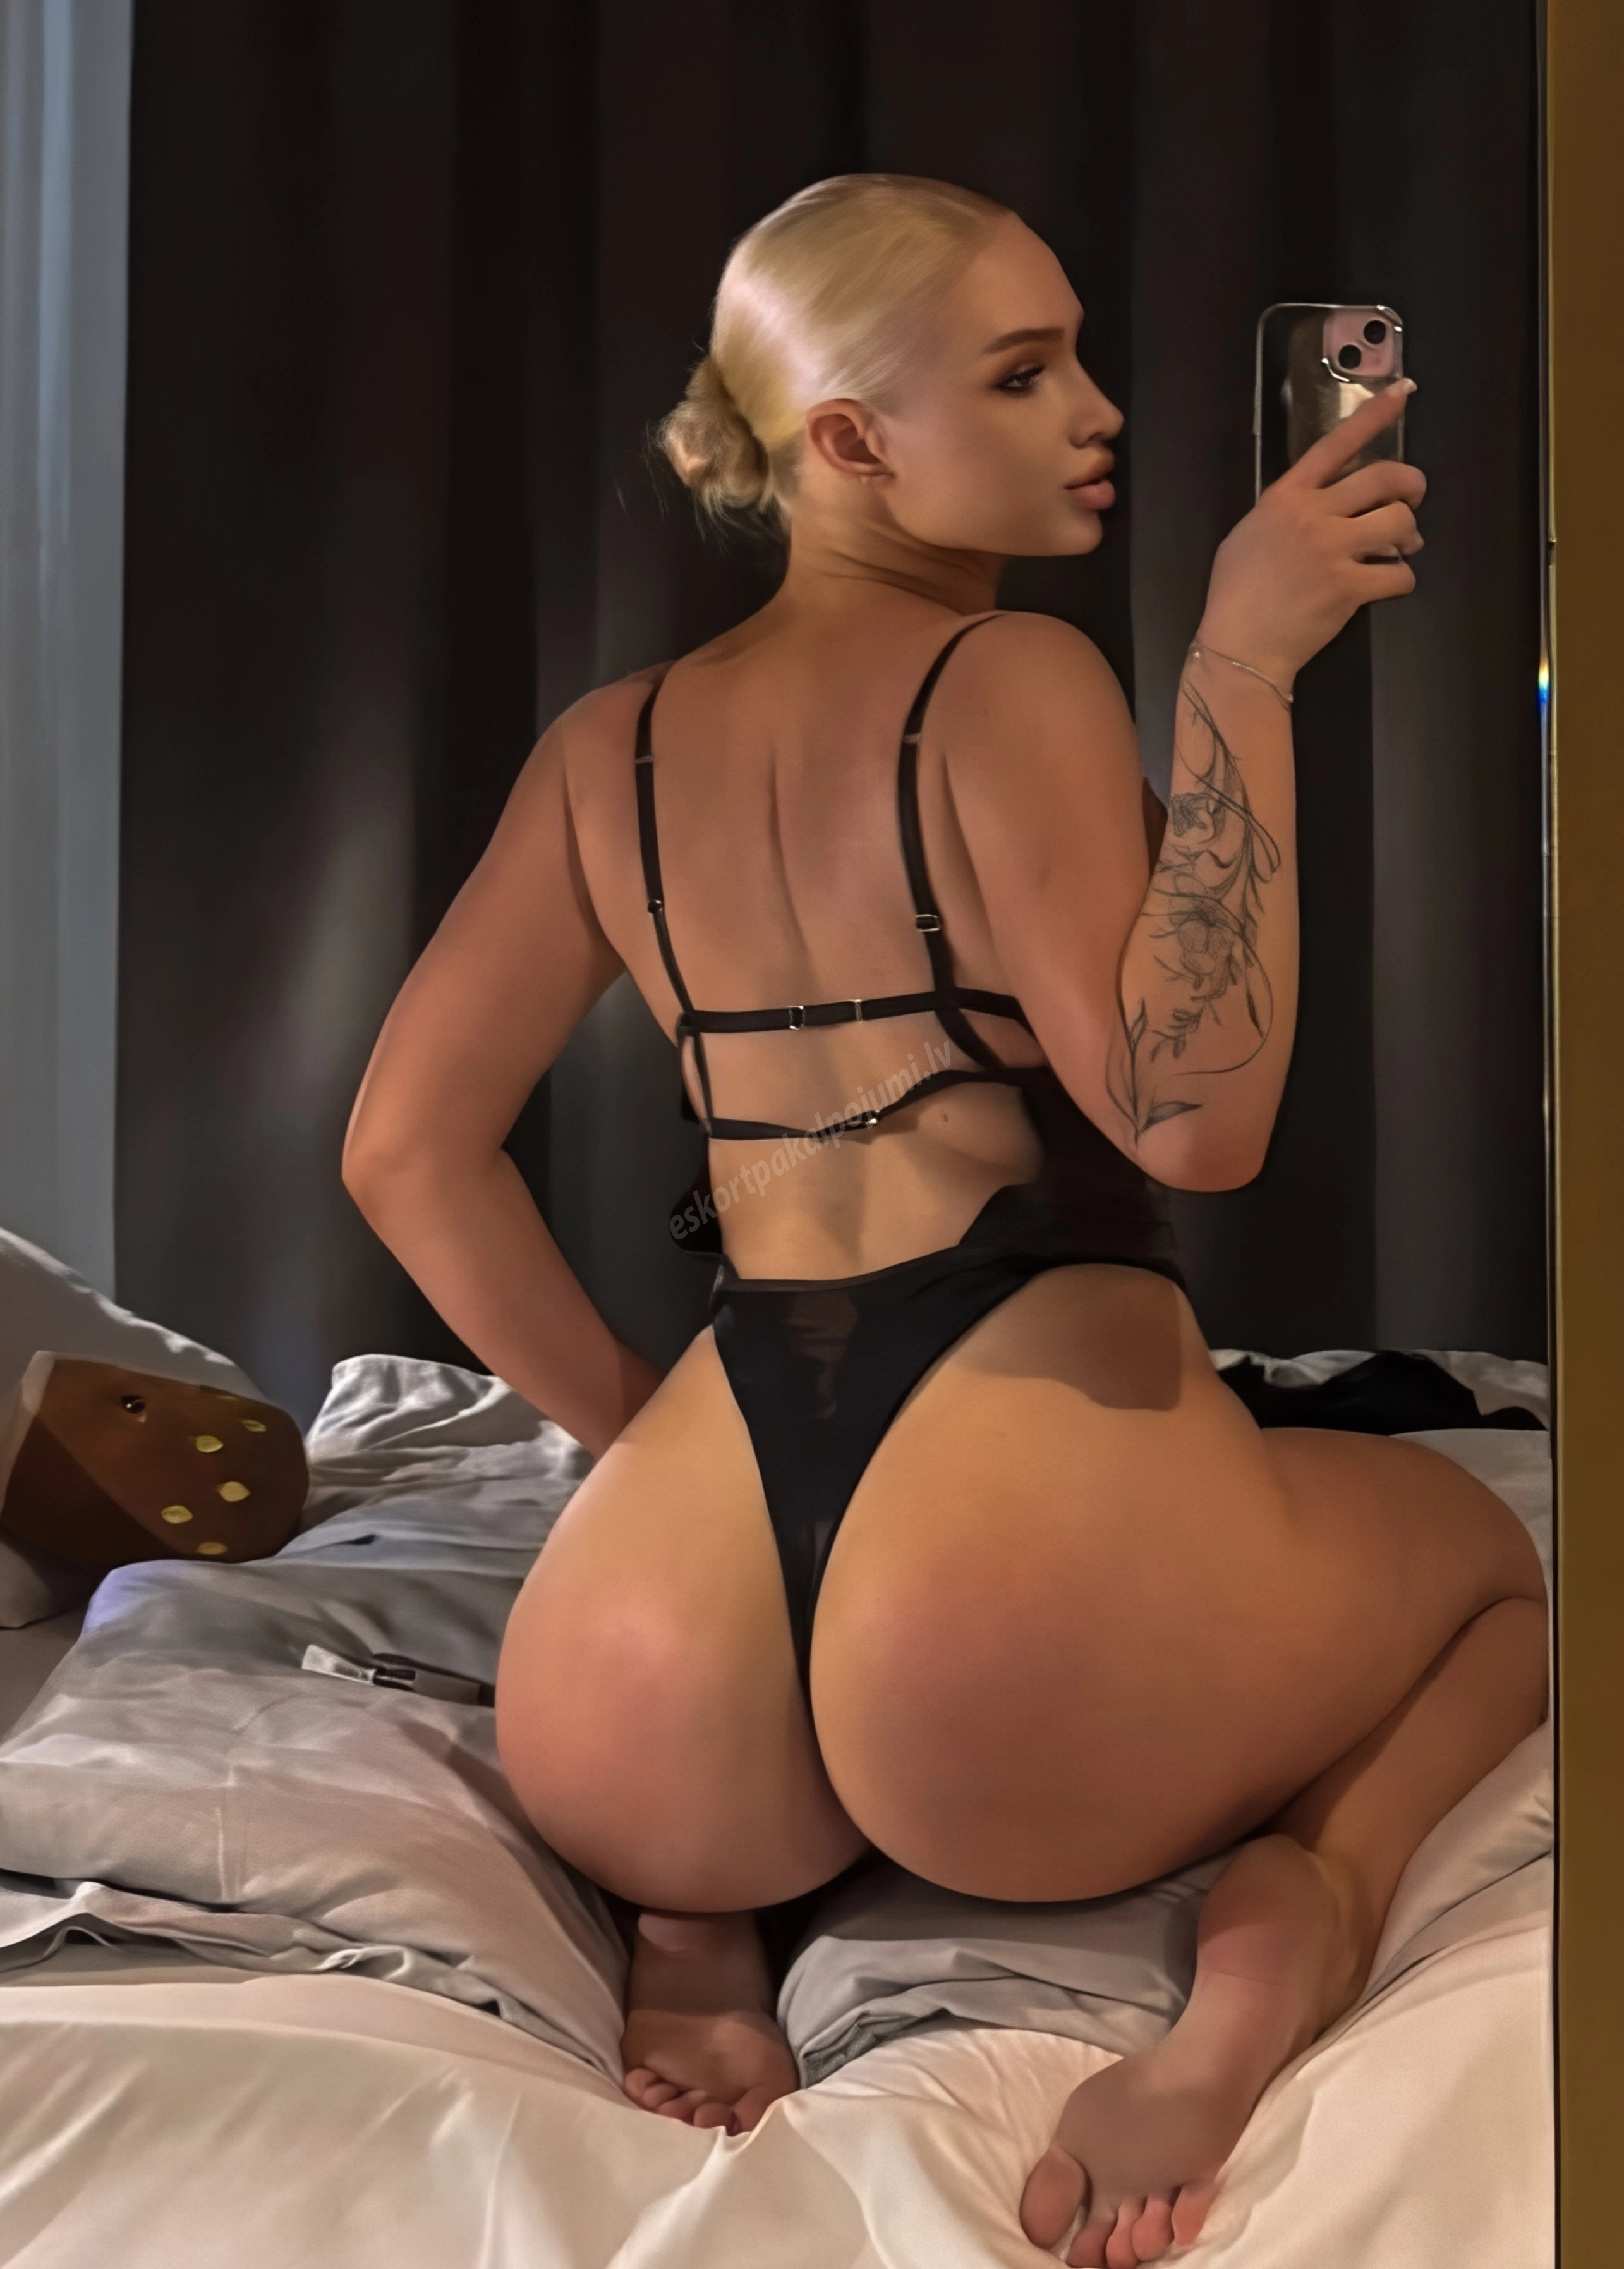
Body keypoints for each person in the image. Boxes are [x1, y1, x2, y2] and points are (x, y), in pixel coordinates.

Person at [341, 175, 1547, 2266]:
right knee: (1506, 1578)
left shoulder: (605, 747)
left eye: (1079, 354)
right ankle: (1290, 1939)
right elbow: (1193, 1120)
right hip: (1011, 1624)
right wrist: (1243, 667)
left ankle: (701, 1903)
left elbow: (403, 1153)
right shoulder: (1009, 678)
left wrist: (641, 1438)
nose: (1098, 409)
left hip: (636, 1680)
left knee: (726, 1718)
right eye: (1022, 372)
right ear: (850, 440)